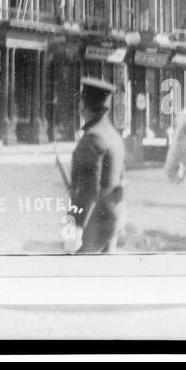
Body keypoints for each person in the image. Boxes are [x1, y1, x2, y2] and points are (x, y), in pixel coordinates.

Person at [69, 76, 127, 254]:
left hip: (95, 221)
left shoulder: (93, 138)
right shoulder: (113, 135)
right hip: (114, 215)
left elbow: (89, 190)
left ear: (83, 104)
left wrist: (76, 225)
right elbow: (121, 179)